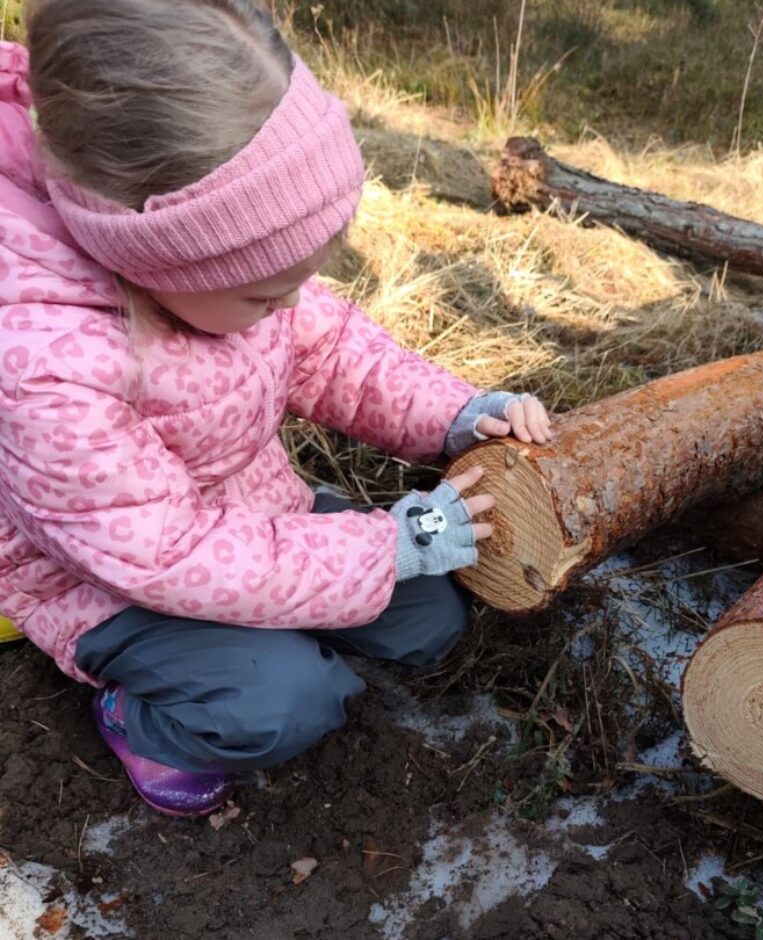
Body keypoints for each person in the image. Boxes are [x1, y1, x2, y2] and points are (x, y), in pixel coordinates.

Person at [0, 0, 552, 817]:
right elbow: (163, 552)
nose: (293, 302)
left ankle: (273, 631)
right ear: (151, 258)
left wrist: (460, 414)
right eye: (268, 291)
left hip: (253, 512)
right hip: (111, 583)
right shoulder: (47, 361)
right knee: (283, 704)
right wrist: (382, 550)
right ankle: (139, 720)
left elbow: (333, 355)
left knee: (430, 617)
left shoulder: (224, 277)